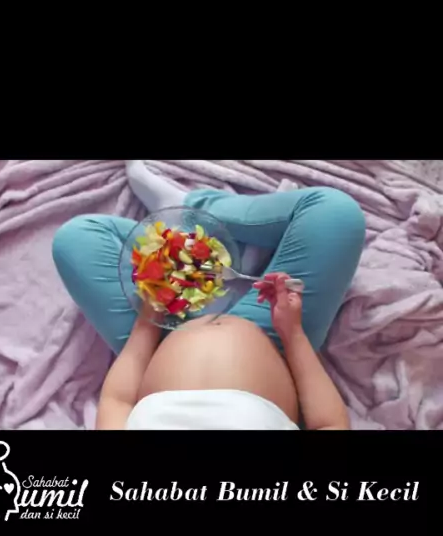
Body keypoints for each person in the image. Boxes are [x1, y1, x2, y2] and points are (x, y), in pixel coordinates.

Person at [52, 161, 366, 430]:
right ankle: (204, 215)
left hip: (159, 341)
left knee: (77, 239)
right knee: (335, 213)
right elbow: (329, 425)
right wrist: (294, 334)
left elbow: (117, 401)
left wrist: (151, 312)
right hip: (275, 337)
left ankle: (193, 225)